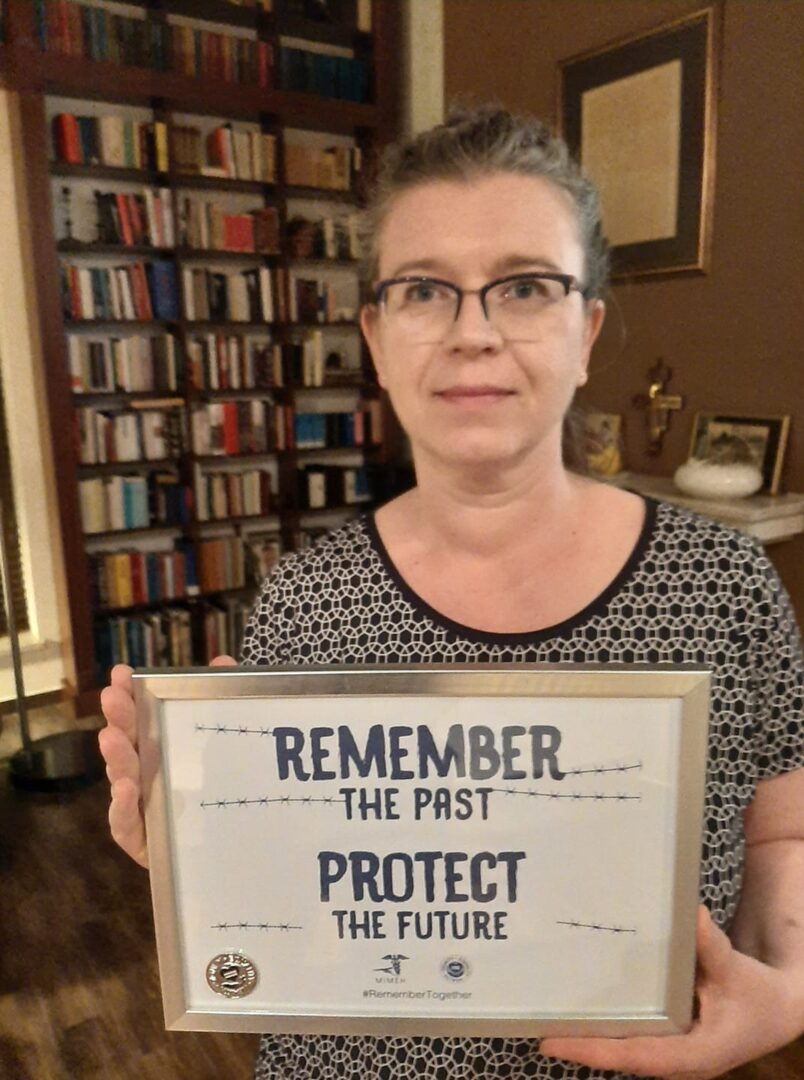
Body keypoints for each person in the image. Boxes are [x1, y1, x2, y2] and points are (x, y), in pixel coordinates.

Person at [99, 105, 804, 1080]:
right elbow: (292, 868)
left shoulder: (727, 587)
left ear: (587, 327)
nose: (473, 333)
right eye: (426, 291)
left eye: (523, 286)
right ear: (378, 339)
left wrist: (788, 981)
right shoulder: (303, 603)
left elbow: (781, 828)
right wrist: (196, 859)